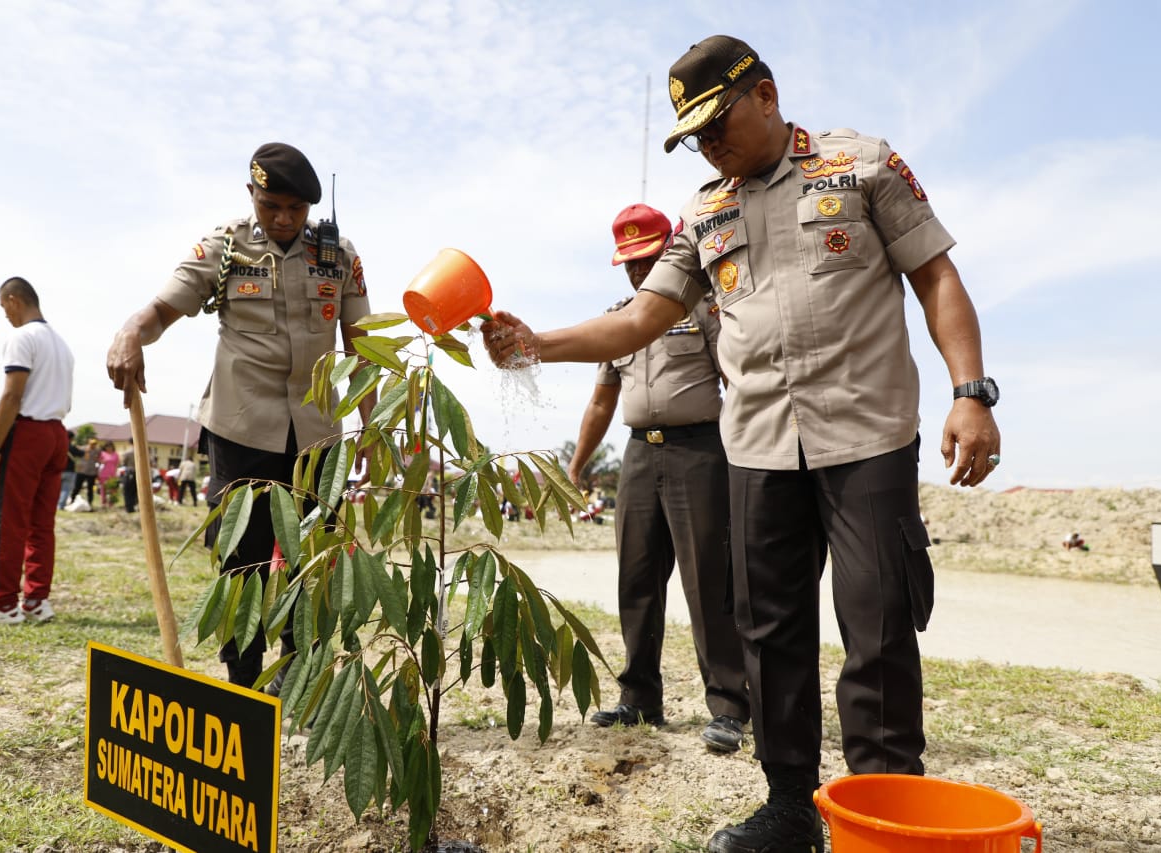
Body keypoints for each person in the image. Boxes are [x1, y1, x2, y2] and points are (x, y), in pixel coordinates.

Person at [482, 35, 1002, 853]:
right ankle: (790, 806)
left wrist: (970, 393)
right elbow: (639, 319)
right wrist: (534, 342)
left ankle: (887, 819)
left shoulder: (860, 165)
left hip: (864, 438)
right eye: (694, 136)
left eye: (717, 122)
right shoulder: (702, 211)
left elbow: (937, 277)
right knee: (770, 634)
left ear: (765, 94)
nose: (709, 144)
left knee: (877, 629)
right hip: (757, 448)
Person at [107, 142, 375, 688]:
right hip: (241, 431)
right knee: (241, 564)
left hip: (318, 438)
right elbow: (162, 311)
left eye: (295, 210)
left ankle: (299, 675)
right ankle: (243, 682)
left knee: (314, 564)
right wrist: (131, 332)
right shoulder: (224, 248)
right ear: (251, 194)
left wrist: (371, 424)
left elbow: (362, 344)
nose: (282, 219)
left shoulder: (338, 255)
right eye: (270, 205)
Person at [567, 203, 748, 753]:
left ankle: (729, 706)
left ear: (670, 251)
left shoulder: (706, 309)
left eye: (647, 260)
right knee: (637, 577)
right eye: (629, 264)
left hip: (700, 452)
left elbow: (736, 381)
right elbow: (602, 400)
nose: (639, 273)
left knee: (707, 581)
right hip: (639, 456)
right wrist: (576, 466)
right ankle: (638, 697)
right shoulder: (619, 318)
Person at [0, 277, 74, 626]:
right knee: (41, 523)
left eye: (3, 308)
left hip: (27, 432)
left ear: (13, 300)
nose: (4, 316)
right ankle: (37, 600)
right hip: (56, 433)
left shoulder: (21, 337)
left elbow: (12, 394)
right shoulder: (61, 344)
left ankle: (2, 603)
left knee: (7, 520)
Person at [56, 429, 79, 509]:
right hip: (70, 471)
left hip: (58, 470)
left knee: (56, 489)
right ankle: (60, 505)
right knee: (65, 490)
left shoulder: (58, 445)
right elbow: (82, 454)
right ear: (72, 438)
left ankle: (54, 504)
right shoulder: (73, 448)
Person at [74, 438, 99, 506]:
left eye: (94, 444)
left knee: (90, 488)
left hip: (91, 472)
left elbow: (99, 458)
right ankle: (73, 499)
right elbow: (76, 449)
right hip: (82, 471)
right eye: (91, 444)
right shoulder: (83, 448)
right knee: (77, 487)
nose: (93, 445)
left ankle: (90, 502)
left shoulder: (97, 450)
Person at [97, 441, 119, 507]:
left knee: (113, 489)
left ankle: (111, 503)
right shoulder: (102, 453)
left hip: (112, 474)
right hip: (103, 473)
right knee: (103, 488)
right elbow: (98, 462)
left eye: (110, 446)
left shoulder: (115, 454)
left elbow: (117, 464)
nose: (109, 448)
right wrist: (101, 462)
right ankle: (103, 502)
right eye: (107, 446)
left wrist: (116, 473)